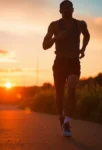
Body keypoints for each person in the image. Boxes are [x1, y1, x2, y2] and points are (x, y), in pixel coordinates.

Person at [42, 0, 90, 137]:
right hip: (59, 63)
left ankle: (67, 121)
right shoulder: (54, 25)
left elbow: (87, 35)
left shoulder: (80, 24)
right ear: (60, 11)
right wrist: (57, 37)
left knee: (73, 84)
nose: (66, 9)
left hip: (74, 61)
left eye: (69, 6)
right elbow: (45, 45)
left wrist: (83, 49)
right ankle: (61, 117)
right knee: (59, 96)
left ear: (73, 9)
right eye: (64, 7)